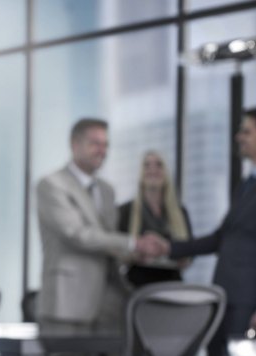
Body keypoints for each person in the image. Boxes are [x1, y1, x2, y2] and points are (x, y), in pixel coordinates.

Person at [160, 106, 256, 356]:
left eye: (247, 131)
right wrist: (168, 247)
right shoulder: (248, 185)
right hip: (226, 295)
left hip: (251, 302)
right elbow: (222, 237)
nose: (239, 137)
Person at [35, 118, 168, 338]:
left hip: (109, 303)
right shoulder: (52, 184)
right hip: (68, 302)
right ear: (74, 144)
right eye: (95, 143)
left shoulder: (107, 191)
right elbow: (78, 235)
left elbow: (106, 241)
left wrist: (135, 254)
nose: (102, 150)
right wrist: (134, 243)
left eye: (106, 144)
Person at [117, 150, 192, 288]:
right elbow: (116, 249)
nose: (153, 170)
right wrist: (136, 253)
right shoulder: (125, 211)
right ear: (140, 173)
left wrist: (173, 252)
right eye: (147, 165)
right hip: (136, 286)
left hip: (172, 285)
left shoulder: (181, 212)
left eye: (159, 165)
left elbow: (190, 253)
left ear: (166, 172)